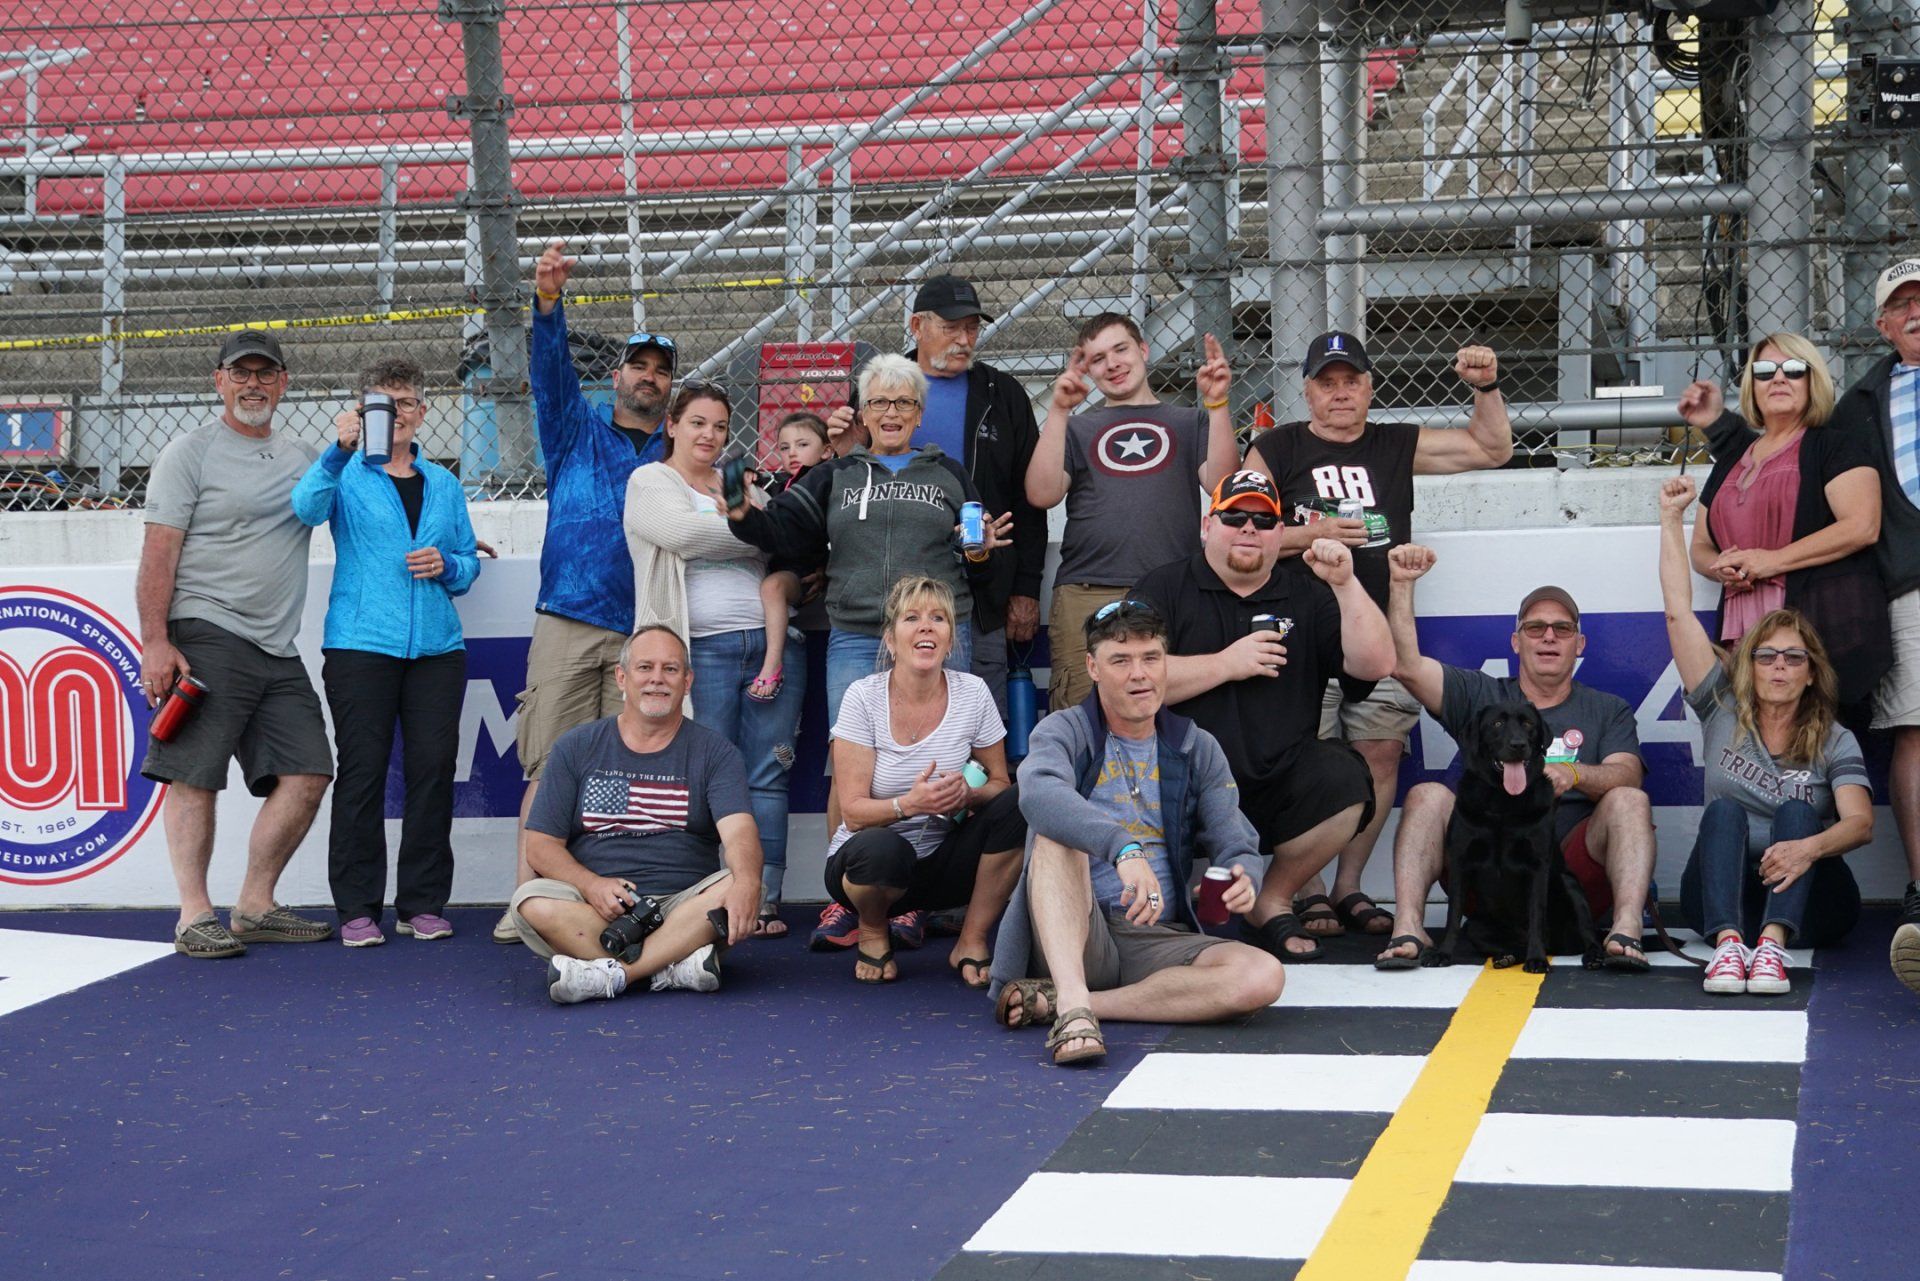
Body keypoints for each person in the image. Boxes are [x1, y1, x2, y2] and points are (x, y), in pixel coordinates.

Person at [1242, 331, 1513, 943]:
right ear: (1307, 391)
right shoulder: (1278, 446)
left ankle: (1348, 884)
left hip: (1383, 631)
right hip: (1301, 634)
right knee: (1303, 758)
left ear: (1370, 386)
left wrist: (1487, 388)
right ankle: (1306, 887)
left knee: (1381, 753)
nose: (1340, 393)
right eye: (1326, 382)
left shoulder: (1394, 441)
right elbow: (1236, 533)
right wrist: (1311, 534)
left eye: (1351, 380)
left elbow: (1491, 449)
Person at [988, 598, 1285, 1067]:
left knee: (1261, 976)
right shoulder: (1061, 730)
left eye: (1151, 658)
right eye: (1121, 661)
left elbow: (1234, 838)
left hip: (1158, 936)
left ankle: (1075, 1002)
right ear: (1093, 667)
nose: (1139, 674)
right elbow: (1039, 797)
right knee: (1055, 836)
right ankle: (1073, 1005)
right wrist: (1122, 848)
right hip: (1077, 929)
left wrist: (1243, 873)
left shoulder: (1195, 744)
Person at [1130, 471, 1395, 961]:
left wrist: (1346, 582)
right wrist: (1226, 664)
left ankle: (1270, 899)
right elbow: (1126, 681)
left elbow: (1376, 665)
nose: (1248, 528)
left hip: (1276, 783)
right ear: (1208, 526)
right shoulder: (1163, 586)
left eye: (1263, 519)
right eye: (1234, 516)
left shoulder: (1308, 594)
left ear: (1281, 533)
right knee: (1150, 923)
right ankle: (1182, 907)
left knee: (1345, 777)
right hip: (1177, 786)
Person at [498, 240, 678, 945]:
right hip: (570, 617)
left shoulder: (679, 453)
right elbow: (547, 373)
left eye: (663, 371)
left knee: (617, 775)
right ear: (619, 374)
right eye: (640, 364)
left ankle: (591, 900)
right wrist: (548, 301)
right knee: (549, 764)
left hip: (647, 630)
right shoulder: (574, 431)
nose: (650, 378)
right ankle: (524, 901)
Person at [136, 331, 334, 957]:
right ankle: (194, 913)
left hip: (277, 644)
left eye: (265, 373)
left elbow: (366, 503)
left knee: (308, 771)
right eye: (240, 373)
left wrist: (451, 542)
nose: (253, 384)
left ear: (284, 383)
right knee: (195, 775)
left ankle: (254, 905)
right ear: (217, 380)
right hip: (207, 629)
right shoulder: (188, 453)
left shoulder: (305, 457)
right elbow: (159, 551)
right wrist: (155, 642)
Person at [1374, 546, 1656, 970]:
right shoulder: (1482, 695)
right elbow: (1406, 666)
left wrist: (1572, 773)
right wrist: (1400, 584)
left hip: (1567, 869)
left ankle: (1625, 931)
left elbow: (1628, 773)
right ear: (1515, 640)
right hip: (1483, 869)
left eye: (1562, 629)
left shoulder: (1607, 708)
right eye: (1535, 627)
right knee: (1428, 795)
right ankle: (1409, 928)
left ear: (1580, 644)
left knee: (1630, 800)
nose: (1548, 637)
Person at [291, 358, 481, 946]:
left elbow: (468, 563)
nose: (393, 414)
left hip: (436, 649)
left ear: (423, 413)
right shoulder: (344, 471)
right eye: (379, 404)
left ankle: (422, 903)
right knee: (363, 774)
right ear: (359, 412)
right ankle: (356, 908)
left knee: (431, 774)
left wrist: (447, 565)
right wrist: (336, 450)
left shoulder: (445, 484)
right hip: (359, 645)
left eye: (403, 403)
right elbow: (304, 510)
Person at [1658, 477, 1869, 994]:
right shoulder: (1720, 708)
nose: (1779, 667)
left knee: (1798, 814)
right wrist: (1670, 519)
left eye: (1793, 657)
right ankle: (1730, 948)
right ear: (1748, 666)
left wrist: (1808, 848)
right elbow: (1677, 612)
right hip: (1718, 896)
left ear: (1811, 672)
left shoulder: (1833, 738)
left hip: (1808, 899)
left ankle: (1771, 947)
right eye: (1766, 655)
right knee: (1723, 812)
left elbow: (1860, 824)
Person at [624, 382, 806, 938]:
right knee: (705, 778)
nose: (710, 434)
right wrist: (750, 529)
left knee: (769, 774)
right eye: (698, 422)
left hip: (769, 643)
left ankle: (764, 900)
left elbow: (787, 541)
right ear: (672, 425)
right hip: (698, 647)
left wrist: (753, 527)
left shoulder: (741, 486)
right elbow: (681, 532)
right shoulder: (650, 480)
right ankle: (708, 898)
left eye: (721, 426)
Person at [508, 625, 764, 1004]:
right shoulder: (576, 746)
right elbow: (541, 845)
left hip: (684, 905)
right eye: (645, 668)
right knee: (530, 901)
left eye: (671, 669)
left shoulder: (716, 751)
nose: (657, 680)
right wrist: (592, 885)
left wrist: (747, 882)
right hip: (597, 909)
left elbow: (740, 833)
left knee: (740, 882)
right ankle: (674, 965)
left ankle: (616, 974)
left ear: (688, 680)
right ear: (622, 677)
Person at [828, 276, 1043, 718]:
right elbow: (846, 485)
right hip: (876, 611)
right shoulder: (876, 386)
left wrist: (1025, 588)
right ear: (916, 326)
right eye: (951, 327)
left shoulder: (1002, 395)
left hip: (974, 602)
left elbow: (1028, 501)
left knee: (971, 738)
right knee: (864, 739)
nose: (965, 339)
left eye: (972, 328)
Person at [1025, 313, 1240, 709]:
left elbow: (1223, 485)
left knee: (1174, 706)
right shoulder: (1076, 428)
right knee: (1082, 712)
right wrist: (1057, 411)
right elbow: (1041, 493)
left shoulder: (1187, 420)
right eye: (1098, 358)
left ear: (1143, 350)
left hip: (1173, 588)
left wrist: (1217, 405)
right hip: (1087, 589)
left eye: (1121, 349)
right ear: (1087, 369)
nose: (1113, 364)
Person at [823, 576, 1026, 984]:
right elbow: (853, 813)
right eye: (911, 618)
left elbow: (1001, 785)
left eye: (938, 618)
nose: (926, 627)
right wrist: (911, 804)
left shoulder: (974, 692)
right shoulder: (862, 696)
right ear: (890, 639)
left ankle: (971, 939)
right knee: (881, 848)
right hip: (867, 865)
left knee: (1025, 800)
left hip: (942, 861)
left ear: (950, 640)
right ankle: (874, 928)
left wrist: (968, 795)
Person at [1676, 334, 1886, 721]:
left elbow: (1862, 525)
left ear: (1813, 381)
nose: (1778, 379)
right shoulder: (1734, 458)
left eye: (1793, 369)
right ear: (1751, 386)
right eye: (1764, 370)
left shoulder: (1837, 445)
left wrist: (1771, 561)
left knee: (1818, 751)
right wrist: (1719, 567)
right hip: (1745, 636)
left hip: (1820, 636)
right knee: (1755, 752)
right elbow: (1701, 546)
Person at [1825, 258, 1920, 985]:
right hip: (1913, 585)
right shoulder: (1862, 400)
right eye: (1904, 303)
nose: (1917, 310)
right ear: (1884, 324)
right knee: (1917, 728)